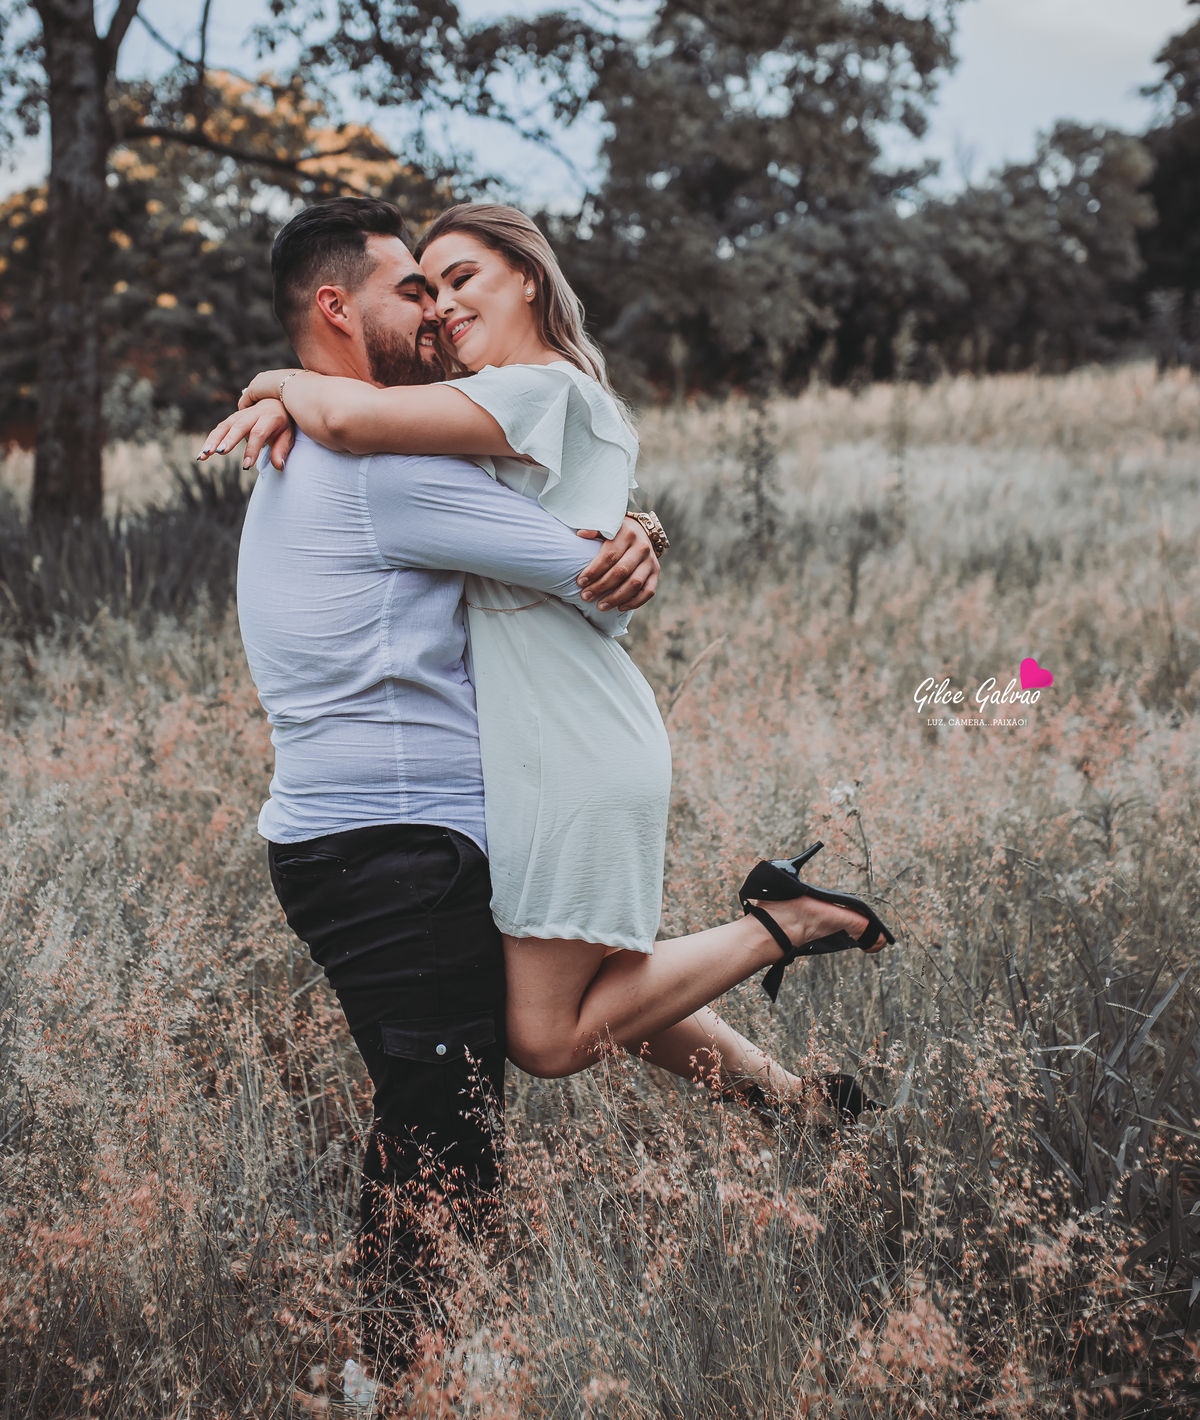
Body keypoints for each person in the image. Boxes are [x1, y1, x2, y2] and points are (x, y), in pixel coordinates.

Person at [204, 201, 894, 1157]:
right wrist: (294, 388)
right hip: (447, 800)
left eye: (456, 283)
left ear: (529, 278)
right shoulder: (380, 460)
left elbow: (588, 573)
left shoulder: (389, 436)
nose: (437, 310)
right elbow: (574, 555)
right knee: (576, 1001)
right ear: (335, 306)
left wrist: (285, 381)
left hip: (535, 746)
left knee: (547, 1030)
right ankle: (795, 1095)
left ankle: (785, 977)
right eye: (417, 290)